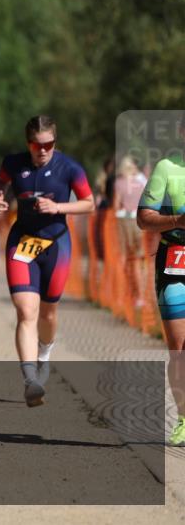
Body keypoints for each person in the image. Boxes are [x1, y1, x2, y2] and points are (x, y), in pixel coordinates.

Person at [0, 115, 94, 407]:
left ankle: (45, 352)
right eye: (37, 145)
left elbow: (90, 203)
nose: (43, 150)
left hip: (56, 243)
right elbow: (0, 181)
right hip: (23, 240)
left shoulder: (69, 168)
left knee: (48, 313)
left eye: (49, 144)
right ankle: (30, 381)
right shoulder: (14, 163)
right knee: (26, 311)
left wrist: (58, 206)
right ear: (28, 144)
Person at [136, 143, 185, 446]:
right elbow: (143, 218)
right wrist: (177, 222)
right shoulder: (167, 168)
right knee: (179, 346)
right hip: (175, 262)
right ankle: (184, 418)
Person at [113, 156, 149, 309]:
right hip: (141, 222)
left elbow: (116, 204)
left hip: (125, 222)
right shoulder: (142, 182)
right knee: (141, 260)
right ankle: (141, 296)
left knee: (126, 259)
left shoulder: (119, 183)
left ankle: (127, 294)